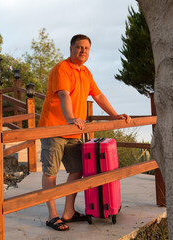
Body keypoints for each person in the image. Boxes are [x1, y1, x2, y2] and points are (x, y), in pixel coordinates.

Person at [38, 34, 131, 231]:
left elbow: (97, 95)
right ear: (71, 48)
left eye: (86, 48)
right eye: (79, 47)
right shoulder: (61, 69)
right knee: (50, 172)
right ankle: (52, 215)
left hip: (74, 132)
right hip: (54, 128)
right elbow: (64, 94)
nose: (83, 51)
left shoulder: (86, 72)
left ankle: (68, 212)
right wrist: (71, 118)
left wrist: (114, 115)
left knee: (78, 169)